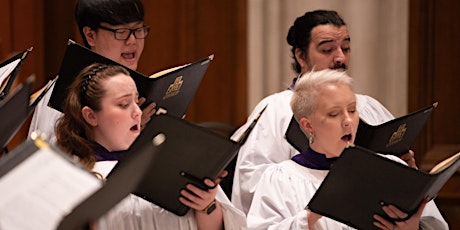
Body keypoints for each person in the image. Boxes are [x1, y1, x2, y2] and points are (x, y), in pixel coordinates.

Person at [230, 9, 417, 215]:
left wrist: (405, 172)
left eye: (346, 48)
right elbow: (251, 186)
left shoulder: (370, 107)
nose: (340, 57)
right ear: (301, 56)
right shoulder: (276, 111)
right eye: (327, 50)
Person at [246, 69, 448, 229]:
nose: (348, 121)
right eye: (334, 114)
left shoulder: (390, 168)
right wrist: (310, 217)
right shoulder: (280, 179)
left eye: (352, 110)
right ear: (308, 126)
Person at [55, 63, 246, 230]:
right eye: (123, 104)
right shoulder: (71, 178)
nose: (137, 112)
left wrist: (206, 205)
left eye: (136, 102)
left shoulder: (172, 159)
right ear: (91, 116)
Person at [28, 0, 156, 144]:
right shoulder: (62, 96)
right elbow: (56, 160)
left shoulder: (132, 85)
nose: (132, 41)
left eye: (138, 30)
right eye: (122, 32)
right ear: (91, 36)